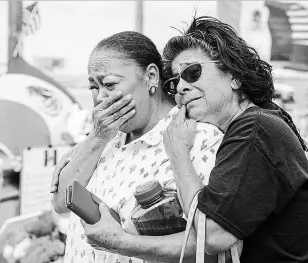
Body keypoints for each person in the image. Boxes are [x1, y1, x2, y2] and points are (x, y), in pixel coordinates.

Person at [51, 31, 225, 263]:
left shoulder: (198, 138)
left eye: (110, 84)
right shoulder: (101, 141)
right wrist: (96, 138)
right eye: (93, 87)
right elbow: (62, 203)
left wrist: (121, 242)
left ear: (151, 77)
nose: (100, 97)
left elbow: (210, 245)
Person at [161, 16, 308, 262]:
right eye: (173, 82)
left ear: (235, 76)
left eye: (192, 72)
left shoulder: (255, 129)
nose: (181, 87)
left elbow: (212, 235)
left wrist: (178, 152)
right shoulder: (261, 121)